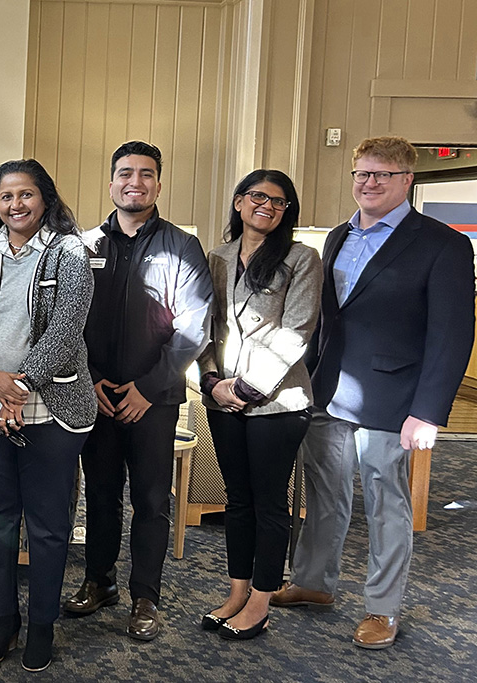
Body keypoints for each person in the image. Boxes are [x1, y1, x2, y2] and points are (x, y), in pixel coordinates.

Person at [273, 136, 475, 649]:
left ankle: (383, 608)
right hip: (330, 389)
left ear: (407, 179)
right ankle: (314, 583)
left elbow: (451, 335)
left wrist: (427, 412)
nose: (369, 182)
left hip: (395, 399)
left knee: (386, 503)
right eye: (362, 173)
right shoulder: (338, 236)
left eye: (382, 174)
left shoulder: (443, 243)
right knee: (323, 494)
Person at [0, 159, 95, 671]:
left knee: (49, 527)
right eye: (6, 196)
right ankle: (1, 621)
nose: (16, 205)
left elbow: (66, 331)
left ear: (45, 199)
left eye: (26, 195)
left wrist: (22, 386)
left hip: (50, 412)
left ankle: (41, 626)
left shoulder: (69, 254)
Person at [63, 140, 213, 640]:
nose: (135, 182)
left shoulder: (182, 246)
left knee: (151, 501)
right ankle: (99, 580)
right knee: (101, 496)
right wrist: (89, 379)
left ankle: (145, 596)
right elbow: (66, 323)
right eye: (125, 173)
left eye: (146, 174)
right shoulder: (82, 246)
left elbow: (194, 327)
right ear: (110, 183)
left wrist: (148, 389)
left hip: (155, 399)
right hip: (97, 395)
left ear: (158, 184)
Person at [196, 170, 321, 639]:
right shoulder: (219, 256)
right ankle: (237, 591)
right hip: (222, 399)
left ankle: (262, 602)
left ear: (287, 211)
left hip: (278, 403)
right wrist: (211, 381)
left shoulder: (300, 258)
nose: (267, 205)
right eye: (257, 196)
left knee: (270, 504)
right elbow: (207, 327)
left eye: (279, 201)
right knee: (237, 501)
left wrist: (244, 390)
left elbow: (297, 331)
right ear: (238, 201)